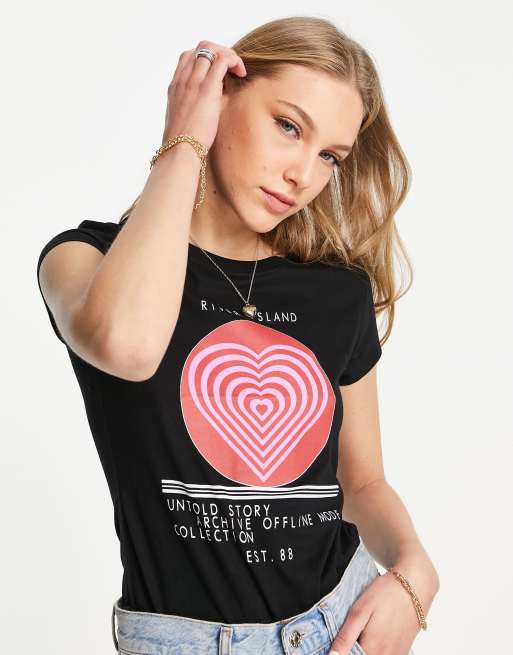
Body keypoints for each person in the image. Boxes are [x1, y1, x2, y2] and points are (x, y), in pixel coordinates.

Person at [36, 15, 439, 655]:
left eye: (329, 156)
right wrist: (183, 142)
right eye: (289, 126)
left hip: (342, 623)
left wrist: (416, 569)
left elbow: (361, 483)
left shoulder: (337, 292)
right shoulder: (87, 260)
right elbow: (129, 347)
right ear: (220, 96)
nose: (303, 174)